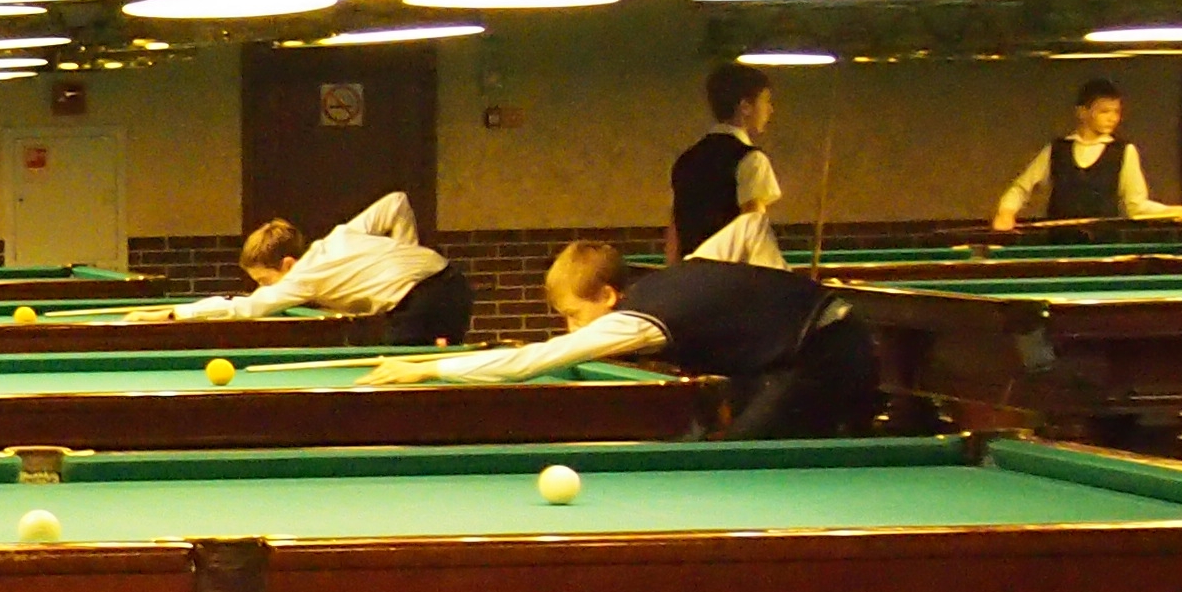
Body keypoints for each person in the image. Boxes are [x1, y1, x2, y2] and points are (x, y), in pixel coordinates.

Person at [377, 225, 878, 439]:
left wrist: (429, 370)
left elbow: (536, 360)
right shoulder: (659, 282)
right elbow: (746, 229)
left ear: (607, 296)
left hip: (827, 352)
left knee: (740, 454)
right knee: (723, 437)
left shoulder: (636, 321)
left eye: (575, 313)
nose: (573, 327)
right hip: (808, 345)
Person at [170, 190, 468, 342]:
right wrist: (406, 254)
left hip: (422, 303)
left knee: (398, 372)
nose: (262, 288)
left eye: (264, 280)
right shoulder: (342, 235)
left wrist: (178, 313)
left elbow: (247, 308)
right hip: (455, 281)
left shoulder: (302, 277)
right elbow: (396, 202)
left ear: (288, 264)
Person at [994, 77, 1182, 233]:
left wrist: (1171, 212)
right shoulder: (1057, 149)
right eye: (1104, 111)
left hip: (1104, 245)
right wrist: (1006, 212)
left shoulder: (1124, 151)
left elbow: (1136, 206)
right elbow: (1021, 188)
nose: (1113, 118)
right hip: (1058, 244)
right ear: (1082, 113)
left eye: (1116, 112)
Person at [667, 62, 783, 260]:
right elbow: (753, 236)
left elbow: (674, 234)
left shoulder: (686, 160)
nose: (770, 109)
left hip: (691, 271)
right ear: (745, 107)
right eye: (765, 101)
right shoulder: (751, 160)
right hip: (730, 273)